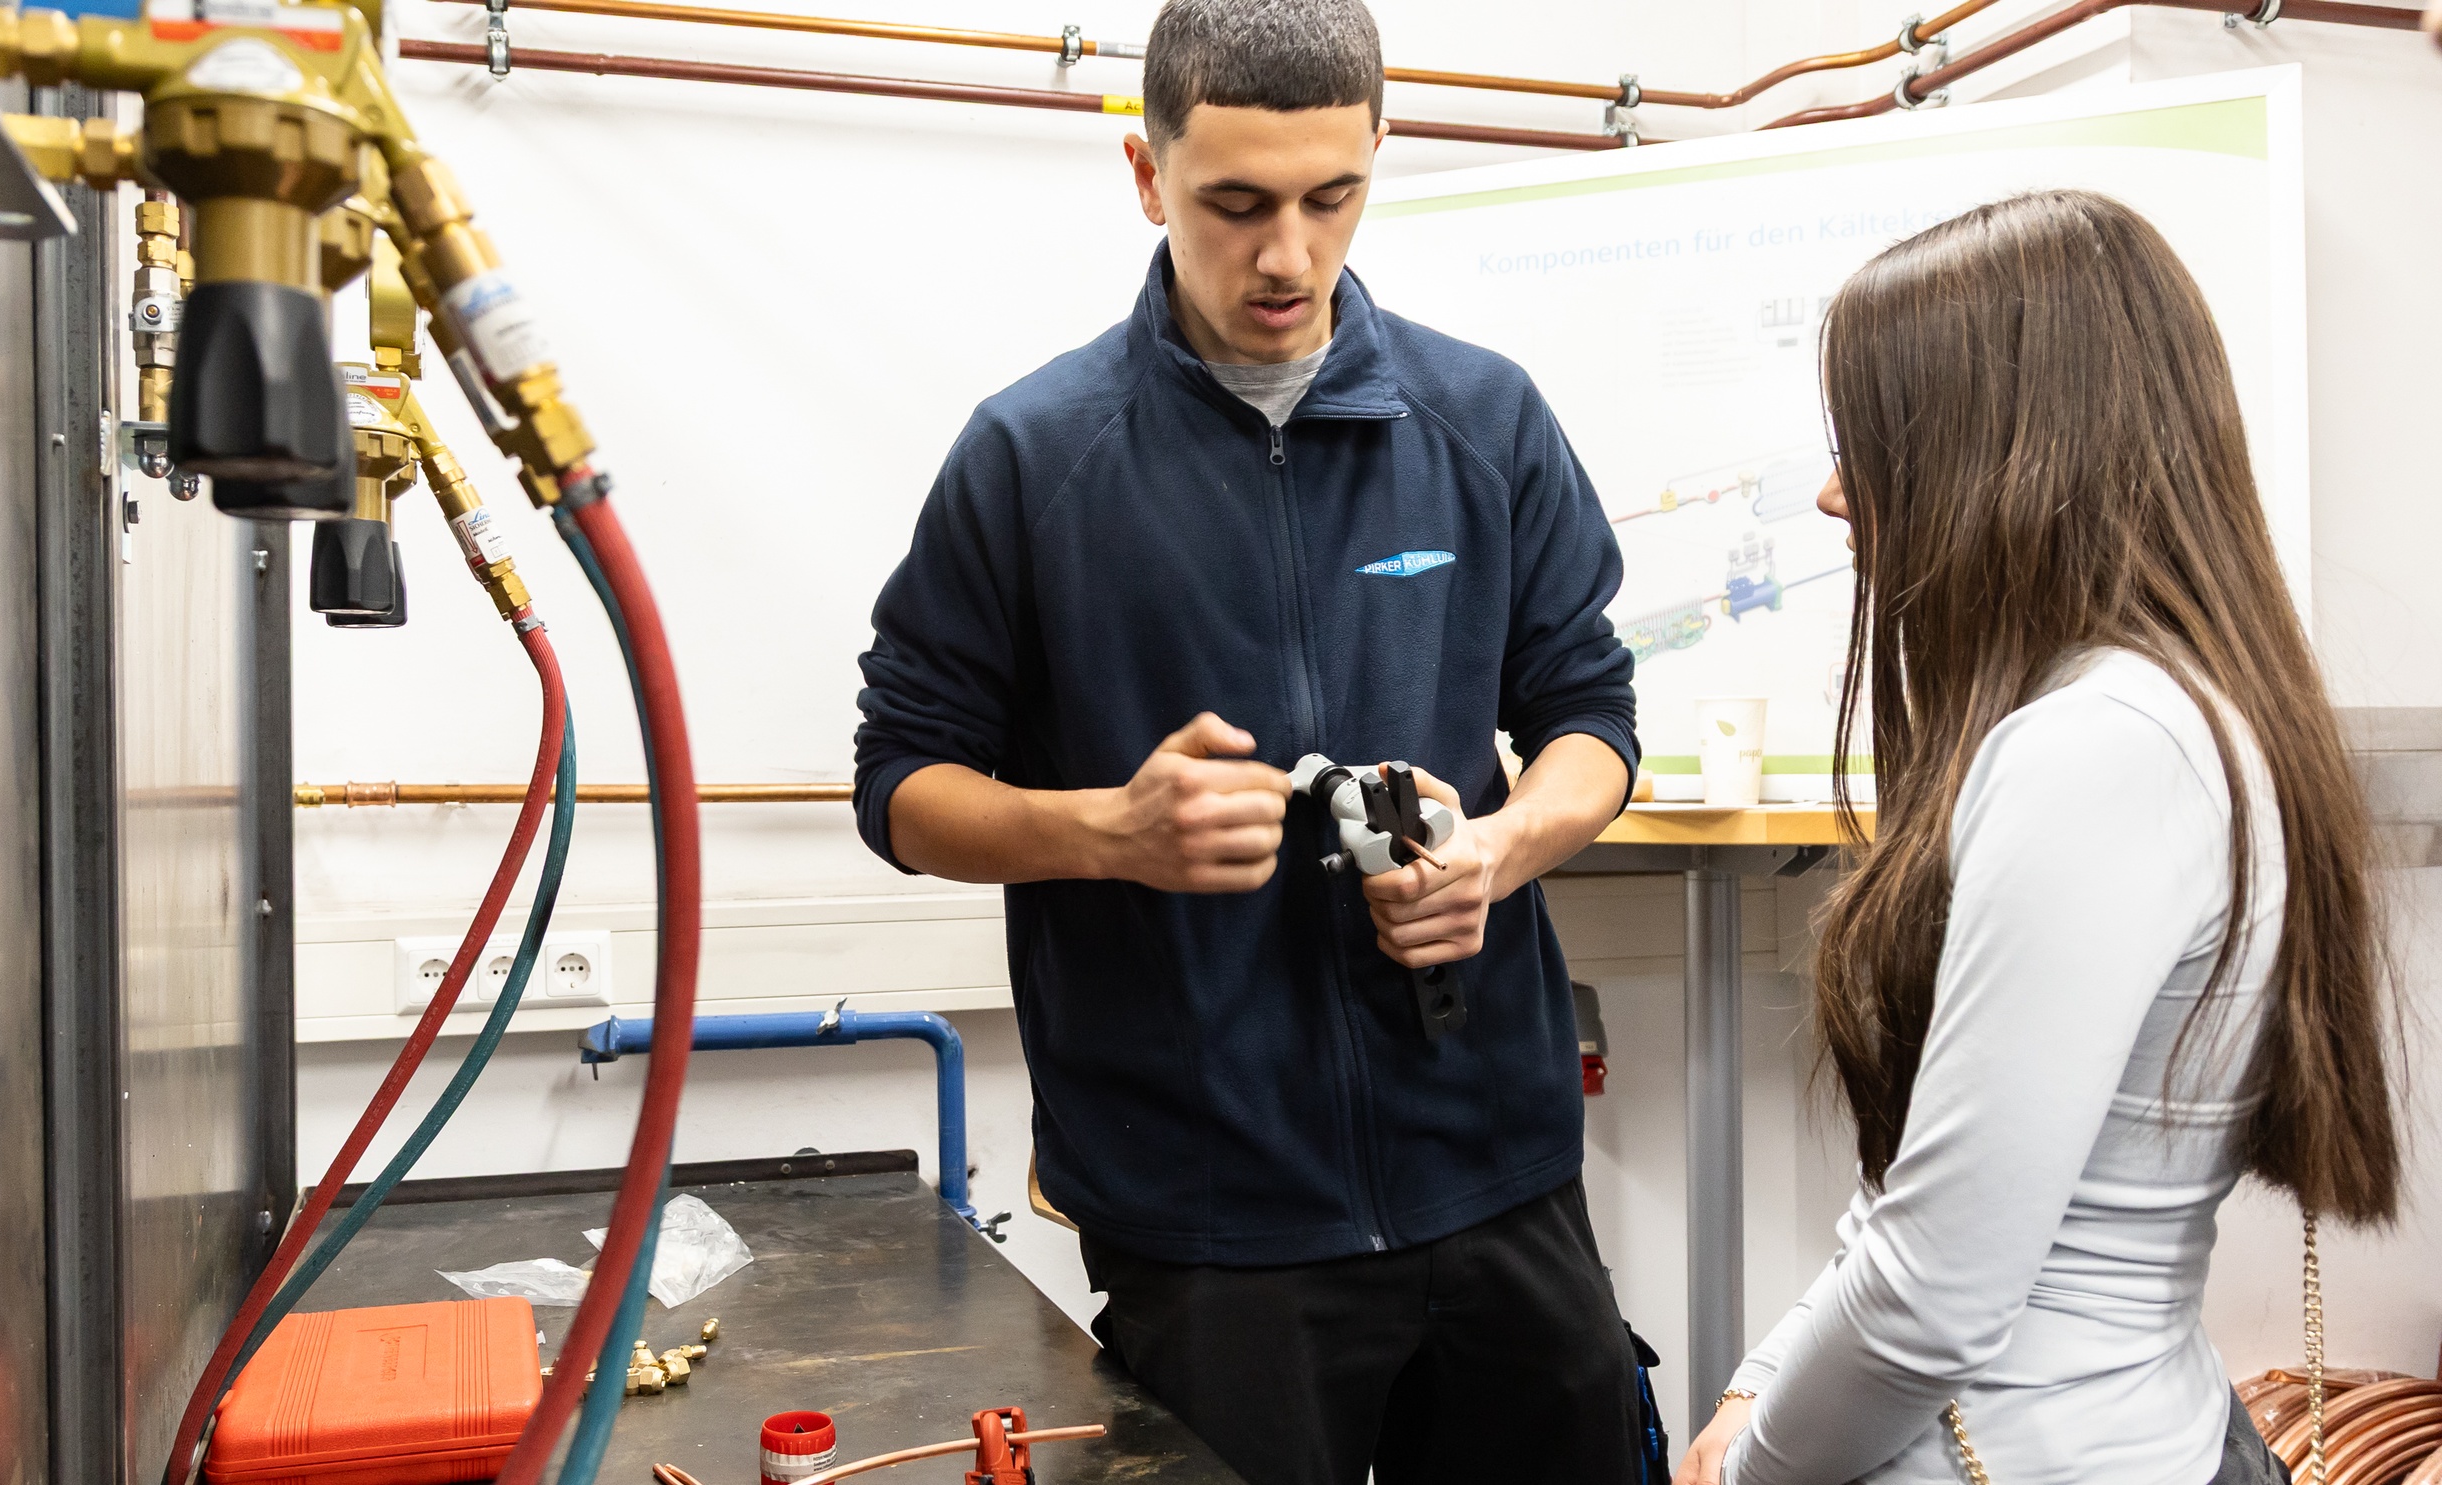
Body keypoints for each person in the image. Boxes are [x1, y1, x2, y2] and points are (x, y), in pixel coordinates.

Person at [850, 0, 1650, 1479]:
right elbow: (901, 784)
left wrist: (1500, 846)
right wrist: (1107, 832)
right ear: (1147, 178)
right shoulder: (1032, 457)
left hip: (1494, 1175)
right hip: (1208, 1216)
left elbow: (1589, 715)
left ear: (1373, 157)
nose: (1287, 255)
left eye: (1329, 197)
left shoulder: (1482, 419)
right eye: (1237, 204)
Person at [1673, 190, 2399, 1485]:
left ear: (2001, 451)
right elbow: (1937, 1181)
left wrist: (1751, 1469)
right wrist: (1764, 1375)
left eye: (1869, 443)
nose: (1837, 495)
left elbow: (1931, 1294)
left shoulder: (2096, 749)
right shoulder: (2150, 714)